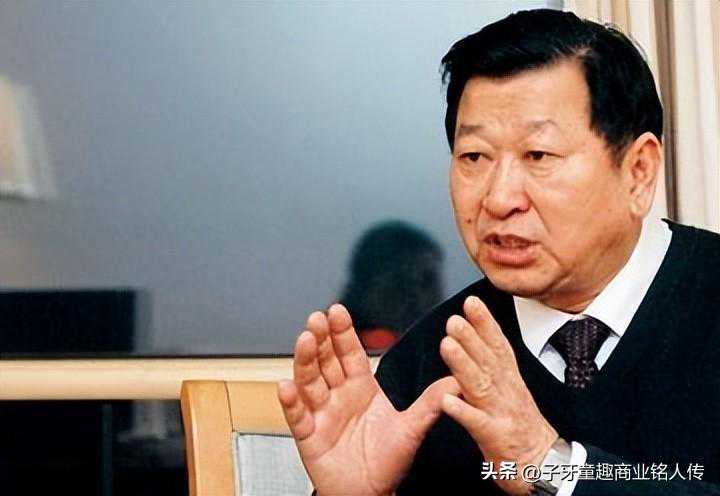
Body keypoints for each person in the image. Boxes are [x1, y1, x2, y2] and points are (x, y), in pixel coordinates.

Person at [277, 9, 720, 496]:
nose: (499, 198)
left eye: (538, 155)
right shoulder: (430, 359)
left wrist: (548, 465)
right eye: (474, 157)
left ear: (638, 172)